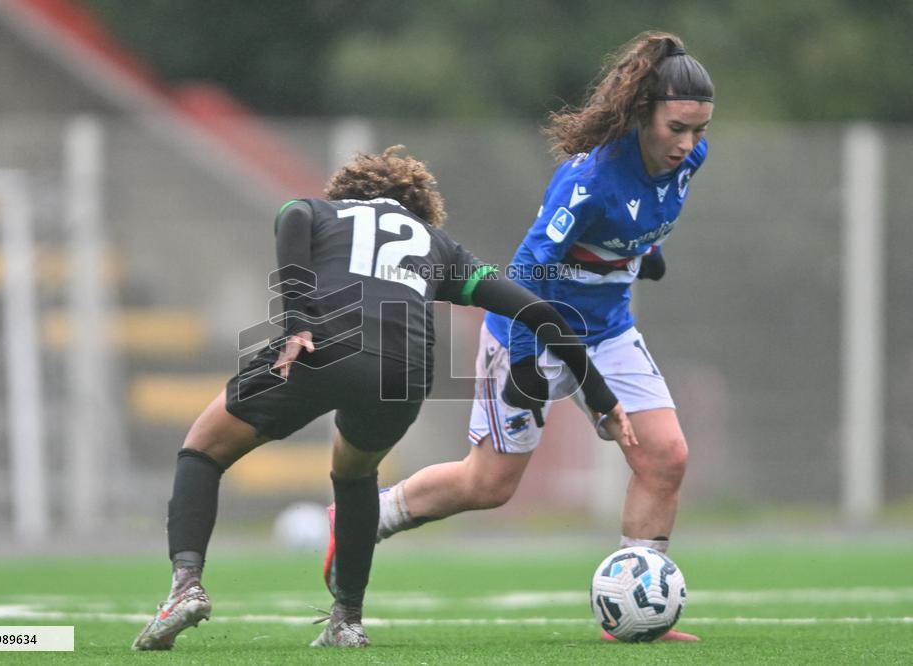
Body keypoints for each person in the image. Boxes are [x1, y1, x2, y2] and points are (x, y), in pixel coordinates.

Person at [132, 146, 637, 650]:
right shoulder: (441, 247)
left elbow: (292, 214)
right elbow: (539, 313)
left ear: (352, 194)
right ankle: (347, 619)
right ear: (419, 210)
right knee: (354, 474)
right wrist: (601, 397)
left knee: (202, 450)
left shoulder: (325, 211)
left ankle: (186, 586)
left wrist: (297, 321)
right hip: (406, 372)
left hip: (321, 347)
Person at [322, 31, 714, 642]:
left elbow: (644, 216)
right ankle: (364, 517)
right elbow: (529, 267)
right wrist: (530, 363)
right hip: (531, 331)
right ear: (643, 114)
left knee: (665, 457)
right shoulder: (589, 178)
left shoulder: (688, 161)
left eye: (698, 129)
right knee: (489, 486)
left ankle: (639, 612)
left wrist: (646, 252)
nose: (688, 143)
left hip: (608, 332)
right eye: (677, 128)